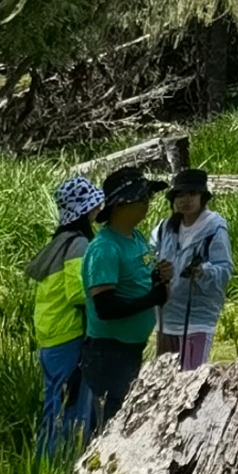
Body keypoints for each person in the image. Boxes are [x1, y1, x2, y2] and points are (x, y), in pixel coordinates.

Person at [74, 164, 165, 432]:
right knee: (107, 422)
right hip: (108, 352)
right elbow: (106, 307)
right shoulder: (104, 249)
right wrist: (152, 298)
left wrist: (158, 278)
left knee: (124, 415)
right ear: (122, 205)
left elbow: (139, 277)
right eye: (142, 198)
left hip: (130, 347)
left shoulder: (136, 238)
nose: (147, 204)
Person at [26, 169, 101, 457]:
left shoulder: (59, 241)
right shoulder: (79, 244)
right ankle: (61, 465)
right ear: (86, 209)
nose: (98, 209)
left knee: (53, 404)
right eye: (94, 204)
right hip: (69, 336)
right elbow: (78, 293)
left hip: (50, 338)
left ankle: (42, 465)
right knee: (70, 407)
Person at [152, 166, 234, 370]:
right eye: (179, 194)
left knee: (189, 382)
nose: (185, 200)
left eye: (192, 193)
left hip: (198, 320)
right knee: (164, 383)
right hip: (165, 320)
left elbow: (224, 270)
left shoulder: (214, 228)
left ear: (202, 197)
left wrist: (203, 272)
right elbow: (147, 258)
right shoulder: (165, 228)